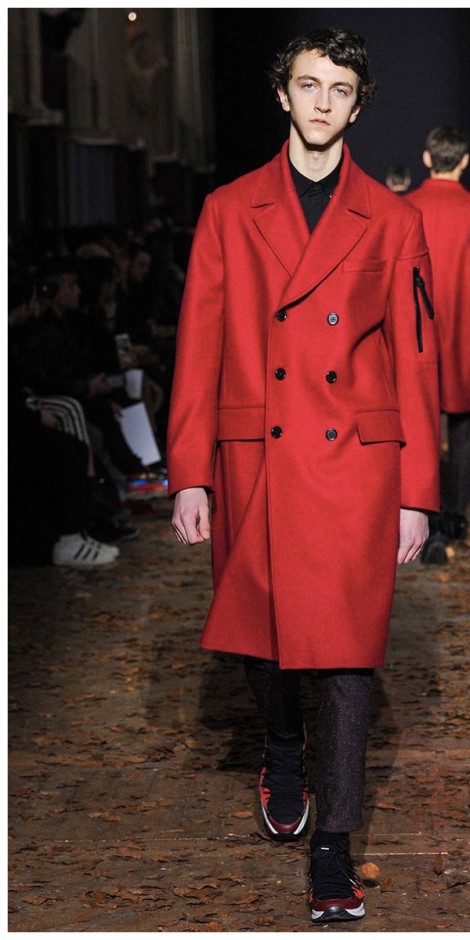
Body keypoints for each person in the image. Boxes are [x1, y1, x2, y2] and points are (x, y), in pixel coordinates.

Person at [167, 27, 440, 926]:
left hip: (354, 464)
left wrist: (417, 492)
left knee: (350, 659)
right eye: (309, 85)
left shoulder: (393, 220)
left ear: (358, 107)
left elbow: (415, 361)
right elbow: (200, 345)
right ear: (282, 94)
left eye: (340, 89)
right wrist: (190, 473)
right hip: (256, 455)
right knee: (263, 640)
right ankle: (283, 745)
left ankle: (334, 849)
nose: (323, 102)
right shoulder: (228, 209)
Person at [406, 126, 470, 549]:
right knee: (463, 430)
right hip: (465, 332)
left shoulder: (404, 210)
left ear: (428, 159)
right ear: (464, 161)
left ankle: (423, 510)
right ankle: (456, 519)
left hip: (418, 334)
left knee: (420, 422)